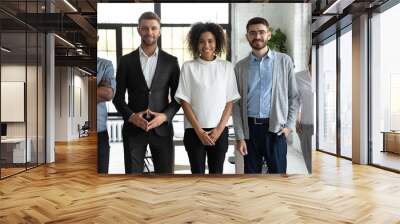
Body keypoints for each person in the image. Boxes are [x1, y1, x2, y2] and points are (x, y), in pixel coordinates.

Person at [113, 12, 180, 174]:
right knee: (133, 176)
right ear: (138, 30)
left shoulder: (171, 61)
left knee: (165, 177)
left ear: (159, 31)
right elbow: (118, 98)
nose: (149, 32)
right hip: (133, 130)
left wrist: (164, 117)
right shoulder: (126, 61)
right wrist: (132, 117)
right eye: (145, 28)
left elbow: (178, 97)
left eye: (153, 28)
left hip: (162, 129)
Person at [232, 17, 299, 174]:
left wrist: (289, 126)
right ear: (247, 36)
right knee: (251, 178)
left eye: (261, 32)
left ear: (268, 35)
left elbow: (294, 97)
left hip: (275, 129)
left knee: (278, 175)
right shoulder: (240, 67)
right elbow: (236, 104)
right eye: (253, 33)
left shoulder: (284, 61)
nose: (257, 36)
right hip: (250, 131)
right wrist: (240, 136)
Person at [174, 22, 240, 174]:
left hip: (219, 132)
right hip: (194, 131)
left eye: (210, 41)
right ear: (195, 43)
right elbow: (184, 101)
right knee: (197, 174)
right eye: (201, 41)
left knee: (216, 174)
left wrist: (218, 129)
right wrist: (199, 131)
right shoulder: (188, 67)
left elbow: (229, 101)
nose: (206, 45)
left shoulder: (226, 67)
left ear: (217, 42)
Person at [295, 51, 314, 174]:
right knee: (309, 162)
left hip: (325, 128)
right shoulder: (298, 77)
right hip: (306, 125)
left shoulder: (327, 73)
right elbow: (295, 101)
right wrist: (297, 119)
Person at [97, 56, 115, 173]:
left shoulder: (105, 65)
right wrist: (99, 88)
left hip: (100, 132)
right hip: (81, 133)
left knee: (102, 176)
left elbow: (108, 94)